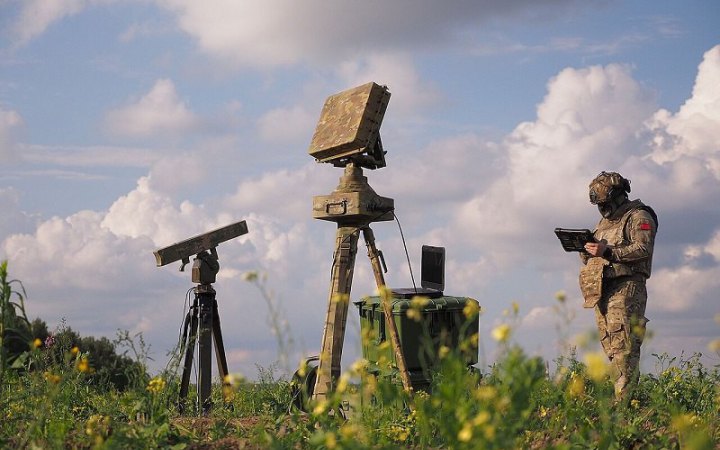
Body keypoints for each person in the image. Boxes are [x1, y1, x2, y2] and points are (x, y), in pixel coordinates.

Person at [579, 171, 658, 402]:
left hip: (627, 289)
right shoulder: (603, 223)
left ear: (617, 196)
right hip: (602, 290)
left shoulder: (638, 216)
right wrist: (586, 251)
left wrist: (609, 252)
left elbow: (643, 249)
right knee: (612, 350)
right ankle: (624, 402)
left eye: (604, 203)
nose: (602, 209)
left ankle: (624, 408)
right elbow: (597, 255)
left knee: (624, 349)